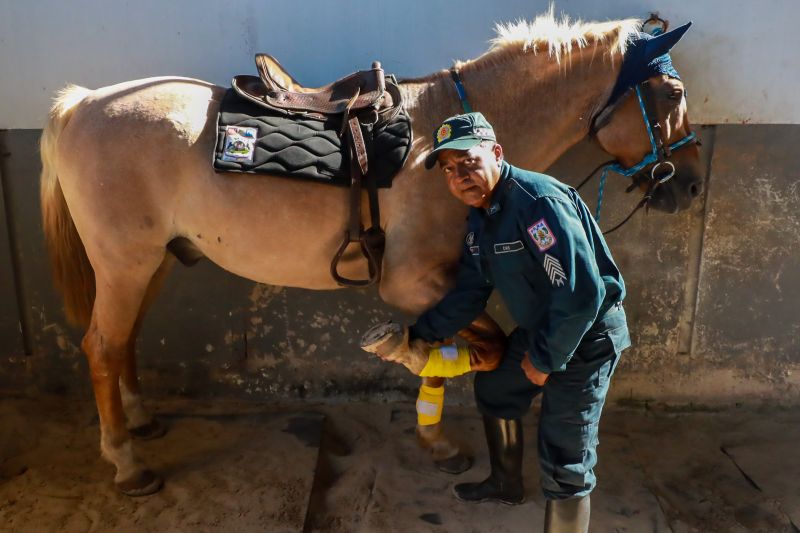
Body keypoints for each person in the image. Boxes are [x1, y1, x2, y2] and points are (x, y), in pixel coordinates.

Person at [370, 112, 631, 532]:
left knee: (565, 455)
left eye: (468, 161)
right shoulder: (482, 219)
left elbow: (582, 295)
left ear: (496, 152)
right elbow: (470, 293)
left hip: (587, 338)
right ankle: (506, 483)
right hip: (542, 330)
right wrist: (418, 336)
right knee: (496, 387)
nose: (460, 176)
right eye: (450, 170)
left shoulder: (536, 203)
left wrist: (544, 359)